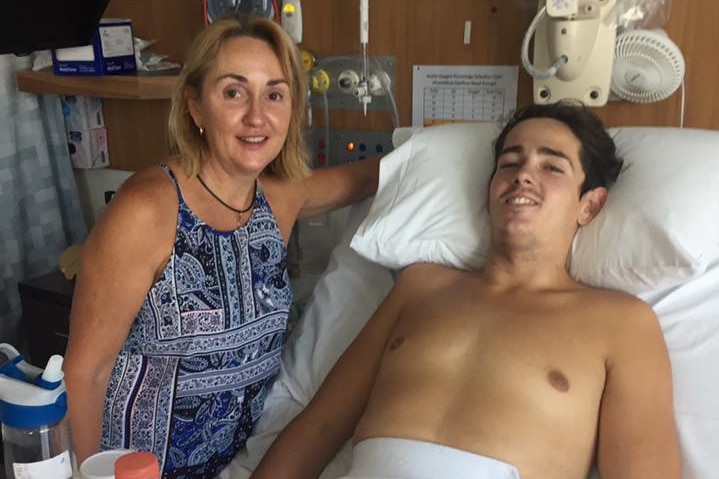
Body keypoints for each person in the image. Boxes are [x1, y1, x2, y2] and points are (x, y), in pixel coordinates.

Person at [249, 102, 681, 479]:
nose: (523, 176)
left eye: (551, 166)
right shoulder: (420, 287)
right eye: (510, 162)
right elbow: (320, 427)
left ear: (590, 205)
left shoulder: (621, 323)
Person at [63, 16, 380, 478]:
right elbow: (85, 373)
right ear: (195, 107)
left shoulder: (280, 198)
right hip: (137, 469)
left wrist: (457, 148)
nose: (257, 116)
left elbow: (369, 177)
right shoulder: (147, 210)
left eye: (274, 94)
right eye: (234, 92)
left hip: (241, 465)